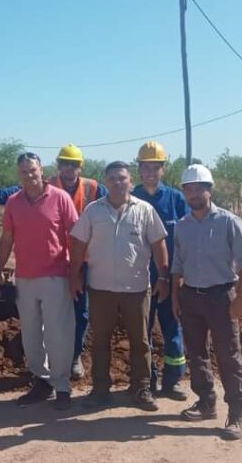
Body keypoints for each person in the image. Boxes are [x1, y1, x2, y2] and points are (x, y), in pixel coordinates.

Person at [0, 144, 106, 380]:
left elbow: (112, 199)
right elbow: (15, 192)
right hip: (51, 265)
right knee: (47, 321)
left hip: (82, 258)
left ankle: (73, 357)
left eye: (73, 164)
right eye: (64, 164)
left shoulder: (92, 188)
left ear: (80, 167)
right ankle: (46, 371)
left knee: (80, 310)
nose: (68, 168)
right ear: (57, 166)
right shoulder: (43, 185)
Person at [69, 161, 169, 412]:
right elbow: (78, 244)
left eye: (122, 178)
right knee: (100, 340)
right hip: (100, 288)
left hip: (136, 289)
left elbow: (159, 244)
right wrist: (75, 276)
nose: (117, 182)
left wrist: (164, 277)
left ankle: (141, 388)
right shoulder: (93, 211)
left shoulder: (144, 210)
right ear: (105, 182)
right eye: (112, 178)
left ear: (131, 182)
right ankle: (100, 389)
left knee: (140, 341)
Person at [171, 163, 242, 441]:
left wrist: (240, 297)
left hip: (221, 297)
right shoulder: (182, 226)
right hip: (190, 297)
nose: (194, 194)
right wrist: (176, 297)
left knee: (228, 355)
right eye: (189, 189)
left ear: (210, 190)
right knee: (197, 354)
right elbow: (177, 266)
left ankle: (237, 413)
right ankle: (206, 402)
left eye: (199, 188)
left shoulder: (229, 222)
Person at [0, 152, 78, 410]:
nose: (29, 175)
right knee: (31, 335)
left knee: (57, 333)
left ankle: (62, 385)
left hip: (56, 276)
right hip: (25, 278)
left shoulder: (60, 198)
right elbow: (6, 239)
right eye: (24, 171)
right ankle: (42, 381)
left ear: (42, 170)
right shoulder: (13, 202)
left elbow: (75, 236)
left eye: (33, 170)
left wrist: (77, 273)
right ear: (19, 174)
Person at [132, 141, 188, 400]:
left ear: (163, 169)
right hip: (138, 279)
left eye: (155, 167)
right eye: (146, 167)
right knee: (142, 333)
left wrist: (181, 274)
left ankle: (173, 381)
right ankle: (148, 379)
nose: (150, 173)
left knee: (173, 329)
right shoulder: (130, 198)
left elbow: (188, 238)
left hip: (170, 278)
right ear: (139, 169)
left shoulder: (177, 199)